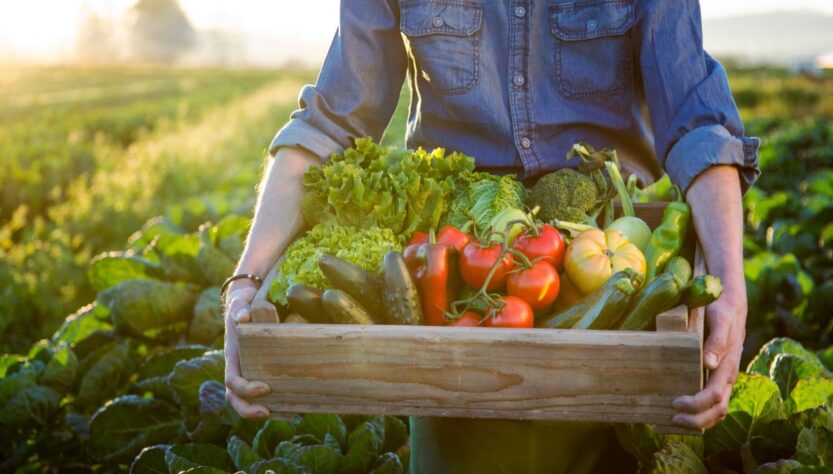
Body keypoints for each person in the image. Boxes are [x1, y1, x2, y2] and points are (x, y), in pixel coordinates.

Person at [223, 0, 759, 472]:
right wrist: (247, 281)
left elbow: (698, 125)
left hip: (616, 277)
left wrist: (730, 286)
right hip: (453, 298)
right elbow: (326, 126)